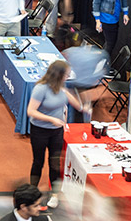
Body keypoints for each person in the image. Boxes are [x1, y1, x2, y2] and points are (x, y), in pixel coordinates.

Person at [27, 60, 87, 192]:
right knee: (38, 162)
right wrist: (51, 119)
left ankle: (54, 195)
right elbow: (31, 111)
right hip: (39, 131)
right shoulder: (40, 89)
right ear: (58, 75)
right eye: (66, 75)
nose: (68, 77)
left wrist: (83, 106)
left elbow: (73, 103)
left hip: (56, 132)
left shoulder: (62, 88)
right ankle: (32, 191)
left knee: (55, 163)